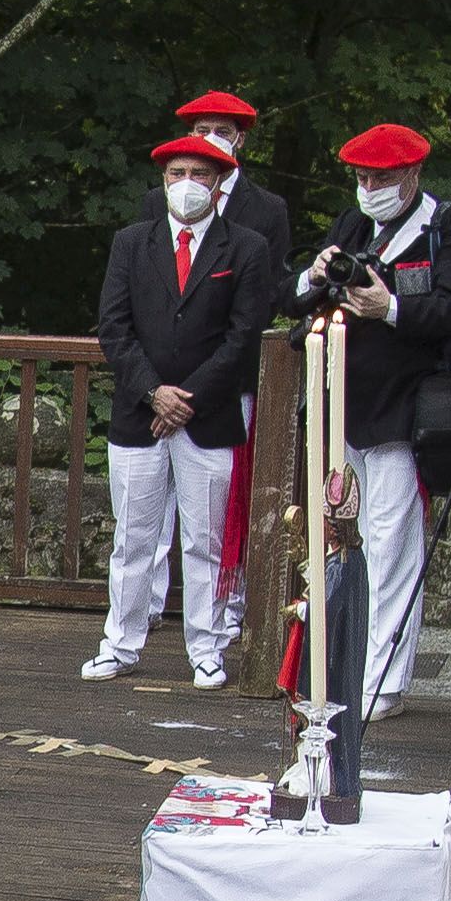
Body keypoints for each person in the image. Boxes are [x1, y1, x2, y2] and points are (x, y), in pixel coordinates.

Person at [88, 132, 271, 690]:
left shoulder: (245, 247)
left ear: (218, 184)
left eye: (198, 174)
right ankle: (119, 643)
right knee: (133, 537)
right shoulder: (131, 242)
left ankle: (208, 648)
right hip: (138, 415)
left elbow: (243, 338)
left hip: (208, 416)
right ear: (163, 180)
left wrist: (185, 398)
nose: (185, 183)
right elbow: (113, 329)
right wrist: (153, 393)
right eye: (175, 173)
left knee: (206, 539)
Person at [309, 123, 451, 712]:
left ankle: (382, 676)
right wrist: (316, 276)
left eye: (379, 178)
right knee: (341, 537)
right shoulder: (353, 225)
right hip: (344, 399)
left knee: (390, 541)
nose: (367, 188)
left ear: (411, 174)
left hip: (409, 407)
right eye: (360, 177)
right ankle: (336, 660)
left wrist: (392, 308)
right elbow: (307, 293)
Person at [172, 92, 300, 324]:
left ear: (239, 139)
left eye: (222, 132)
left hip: (233, 342)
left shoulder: (269, 209)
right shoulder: (161, 201)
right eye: (203, 131)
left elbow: (273, 290)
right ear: (191, 135)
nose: (211, 138)